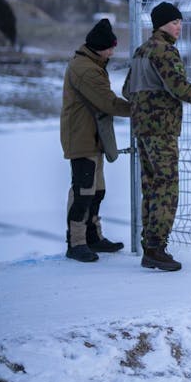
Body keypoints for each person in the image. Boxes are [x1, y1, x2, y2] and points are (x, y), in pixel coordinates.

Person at [123, 2, 191, 272]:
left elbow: (128, 90)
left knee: (151, 187)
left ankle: (150, 247)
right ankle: (156, 248)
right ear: (161, 24)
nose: (179, 27)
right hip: (162, 130)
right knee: (166, 189)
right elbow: (180, 89)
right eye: (174, 23)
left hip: (143, 130)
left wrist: (146, 103)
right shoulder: (165, 51)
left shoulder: (141, 51)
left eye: (180, 23)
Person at [60, 18, 132, 262]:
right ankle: (76, 242)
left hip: (93, 137)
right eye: (110, 47)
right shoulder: (86, 69)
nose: (113, 51)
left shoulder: (92, 63)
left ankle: (93, 237)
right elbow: (107, 102)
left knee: (97, 191)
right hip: (81, 138)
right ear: (98, 46)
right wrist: (140, 109)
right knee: (83, 191)